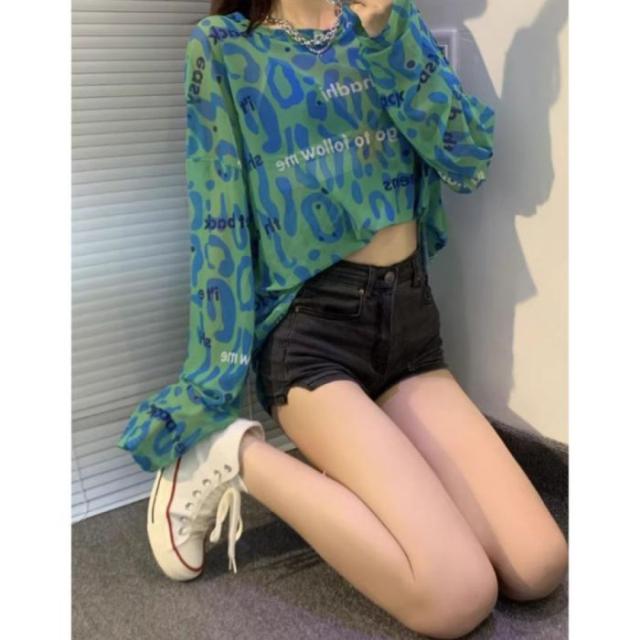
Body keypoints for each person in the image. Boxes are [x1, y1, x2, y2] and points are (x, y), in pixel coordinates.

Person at [117, 1, 568, 637]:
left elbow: (466, 157)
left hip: (410, 330)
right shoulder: (225, 46)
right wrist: (211, 383)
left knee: (539, 564)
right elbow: (219, 219)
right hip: (312, 338)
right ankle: (229, 453)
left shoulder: (391, 19)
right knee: (457, 595)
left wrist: (387, 36)